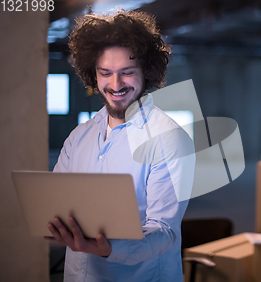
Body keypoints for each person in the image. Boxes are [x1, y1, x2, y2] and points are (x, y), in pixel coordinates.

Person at [45, 10, 195, 281]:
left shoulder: (168, 138)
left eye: (126, 73)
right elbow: (57, 204)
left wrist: (110, 248)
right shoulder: (78, 137)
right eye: (106, 73)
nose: (115, 85)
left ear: (147, 72)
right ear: (93, 74)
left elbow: (164, 231)